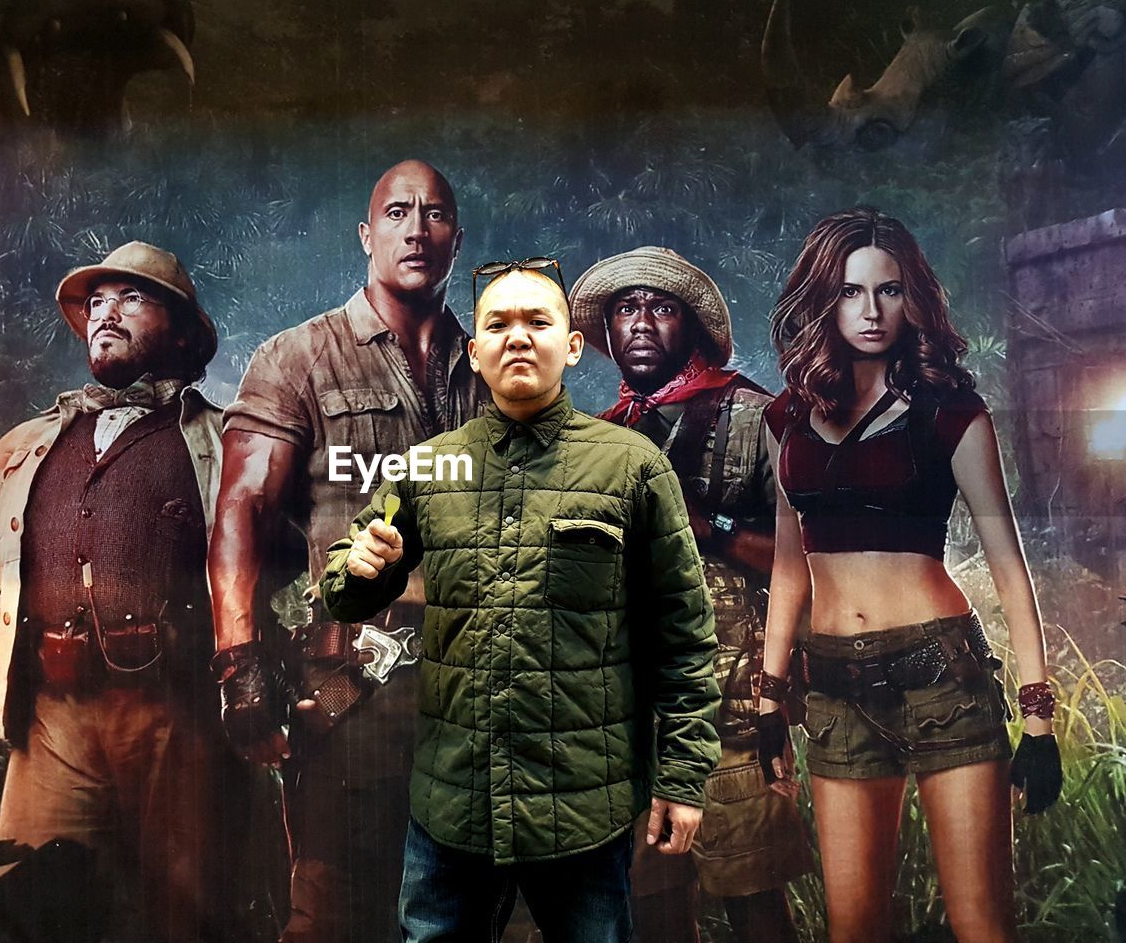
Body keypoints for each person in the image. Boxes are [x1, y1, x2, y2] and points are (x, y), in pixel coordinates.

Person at [318, 262, 721, 943]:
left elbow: (684, 636)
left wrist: (681, 779)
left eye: (539, 322)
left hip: (583, 808)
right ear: (474, 352)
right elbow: (345, 589)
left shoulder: (632, 467)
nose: (518, 338)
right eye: (497, 325)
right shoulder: (430, 466)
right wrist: (359, 569)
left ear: (572, 346)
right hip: (452, 804)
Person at [0, 241, 246, 942]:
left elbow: (286, 552)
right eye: (96, 302)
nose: (106, 313)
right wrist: (13, 579)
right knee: (30, 903)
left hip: (177, 716)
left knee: (188, 915)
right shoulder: (32, 440)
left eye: (131, 297)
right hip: (52, 721)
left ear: (183, 329)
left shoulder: (225, 441)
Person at [756, 207, 1063, 943]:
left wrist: (1039, 717)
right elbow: (788, 569)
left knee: (981, 925)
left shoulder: (951, 414)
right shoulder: (786, 421)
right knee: (852, 929)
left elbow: (1009, 571)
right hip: (833, 686)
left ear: (911, 297)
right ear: (823, 301)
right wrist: (769, 698)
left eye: (888, 291)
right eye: (850, 292)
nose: (870, 311)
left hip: (941, 678)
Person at [208, 160, 485, 942]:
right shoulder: (299, 357)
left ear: (456, 241)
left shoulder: (493, 374)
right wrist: (239, 664)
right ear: (368, 235)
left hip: (478, 694)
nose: (416, 228)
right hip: (351, 690)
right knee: (335, 918)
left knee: (466, 918)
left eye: (433, 215)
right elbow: (240, 511)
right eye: (398, 212)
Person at [570, 246, 810, 943]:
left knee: (756, 903)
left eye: (661, 307)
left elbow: (809, 562)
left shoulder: (758, 417)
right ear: (608, 333)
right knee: (654, 914)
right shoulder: (599, 437)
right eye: (626, 309)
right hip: (625, 723)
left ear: (693, 327)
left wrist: (711, 527)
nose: (641, 322)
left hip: (729, 716)